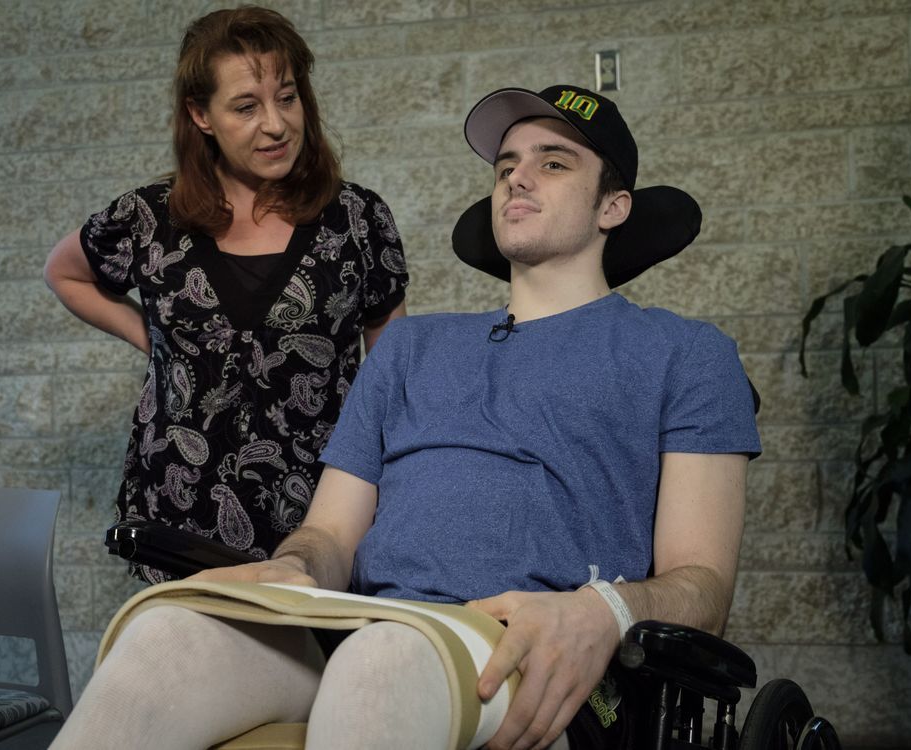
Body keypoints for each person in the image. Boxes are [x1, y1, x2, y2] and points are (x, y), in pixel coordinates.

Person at [50, 85, 759, 750]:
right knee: (166, 631)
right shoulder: (414, 349)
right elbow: (331, 531)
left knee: (383, 660)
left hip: (529, 646)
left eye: (554, 162)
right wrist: (294, 566)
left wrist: (604, 610)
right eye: (507, 164)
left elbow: (703, 585)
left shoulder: (685, 353)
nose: (518, 177)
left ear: (613, 207)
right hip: (364, 627)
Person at [43, 6, 409, 582]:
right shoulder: (146, 218)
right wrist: (153, 340)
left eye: (287, 98)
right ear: (200, 114)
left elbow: (391, 362)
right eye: (246, 106)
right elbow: (64, 273)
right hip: (181, 514)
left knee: (322, 670)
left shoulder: (358, 219)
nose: (276, 124)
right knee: (185, 667)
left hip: (322, 521)